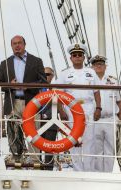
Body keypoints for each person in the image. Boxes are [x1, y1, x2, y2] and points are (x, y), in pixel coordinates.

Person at [0, 35, 46, 162]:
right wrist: (10, 85)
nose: (17, 45)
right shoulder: (5, 63)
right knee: (13, 131)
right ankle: (16, 159)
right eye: (14, 43)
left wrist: (28, 86)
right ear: (11, 46)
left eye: (19, 43)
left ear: (24, 44)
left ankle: (35, 160)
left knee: (33, 131)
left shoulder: (36, 61)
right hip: (13, 103)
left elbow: (44, 82)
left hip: (31, 102)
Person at [54, 43, 101, 172]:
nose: (77, 57)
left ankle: (89, 171)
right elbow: (58, 93)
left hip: (88, 108)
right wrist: (61, 110)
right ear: (71, 58)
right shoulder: (65, 74)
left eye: (80, 55)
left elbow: (97, 92)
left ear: (84, 57)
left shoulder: (91, 72)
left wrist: (99, 108)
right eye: (74, 55)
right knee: (73, 140)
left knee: (89, 140)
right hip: (71, 110)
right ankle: (77, 170)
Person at [91, 55, 121, 172]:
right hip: (94, 120)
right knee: (96, 149)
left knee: (110, 149)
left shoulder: (113, 81)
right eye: (96, 64)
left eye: (101, 63)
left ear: (105, 66)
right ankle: (99, 174)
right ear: (92, 66)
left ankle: (107, 173)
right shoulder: (89, 81)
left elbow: (119, 101)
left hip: (110, 119)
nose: (98, 65)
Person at [41, 67, 58, 170]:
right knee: (36, 146)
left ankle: (48, 169)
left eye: (48, 74)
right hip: (37, 121)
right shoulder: (34, 89)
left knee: (49, 147)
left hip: (51, 121)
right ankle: (37, 167)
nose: (45, 76)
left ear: (52, 76)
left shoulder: (56, 90)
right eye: (43, 74)